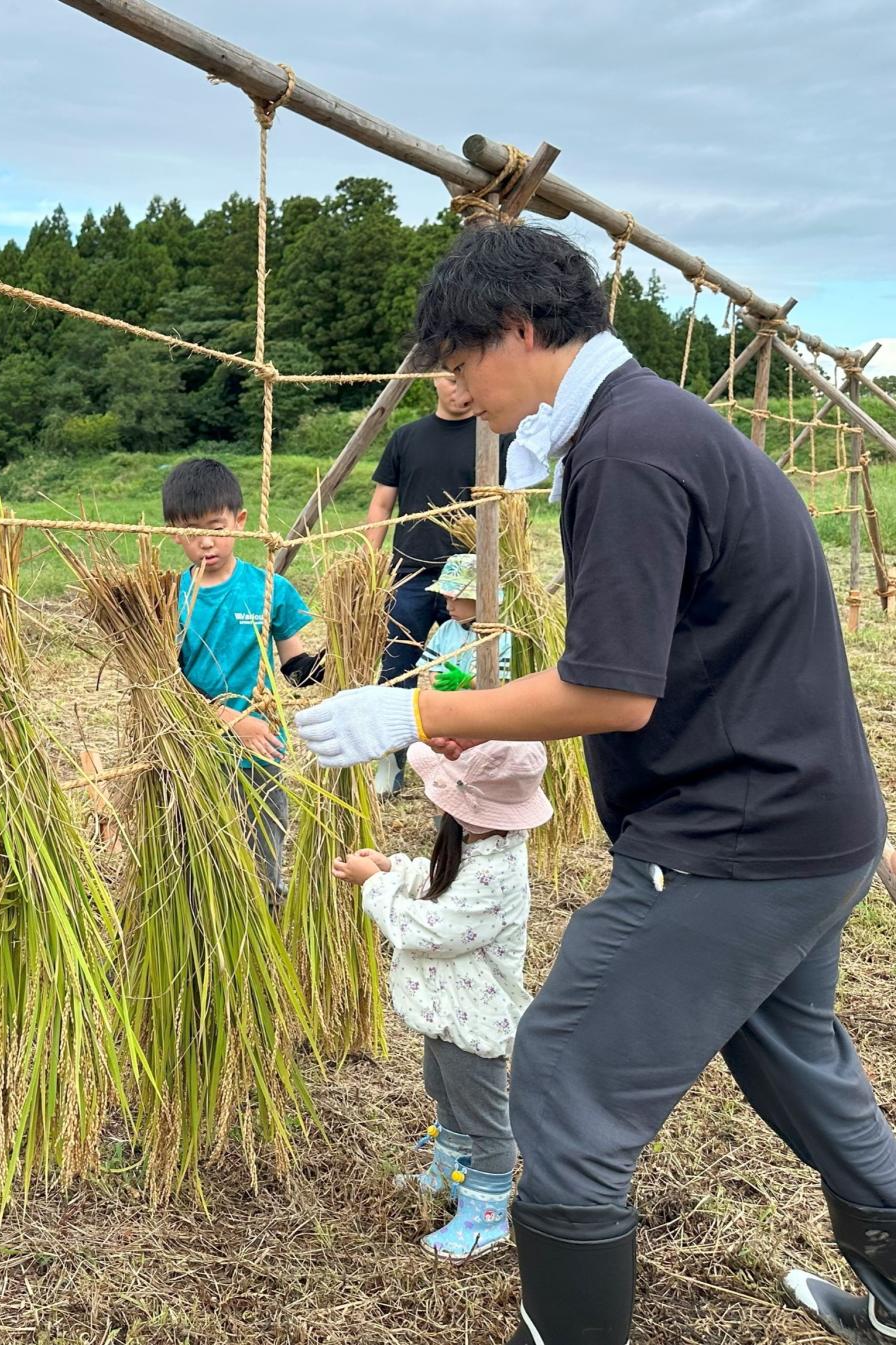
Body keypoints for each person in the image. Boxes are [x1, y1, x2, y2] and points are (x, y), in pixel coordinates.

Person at [295, 222, 891, 1345]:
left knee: (562, 1078)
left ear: (518, 332)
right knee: (797, 1066)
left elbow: (611, 691)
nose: (463, 395)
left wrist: (416, 708)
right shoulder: (656, 423)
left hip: (734, 839)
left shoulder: (627, 448)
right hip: (810, 822)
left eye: (463, 366)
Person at [335, 738, 550, 1261]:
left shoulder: (497, 871)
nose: (435, 801)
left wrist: (375, 890)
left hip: (471, 1016)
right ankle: (450, 1169)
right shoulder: (478, 843)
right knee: (445, 1089)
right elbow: (438, 883)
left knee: (484, 1115)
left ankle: (486, 1212)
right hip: (444, 1008)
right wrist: (391, 870)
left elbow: (432, 928)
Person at [163, 458, 324, 902]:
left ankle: (266, 909)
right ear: (174, 533)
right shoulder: (167, 597)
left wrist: (333, 664)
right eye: (192, 532)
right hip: (195, 746)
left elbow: (295, 668)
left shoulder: (269, 588)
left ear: (240, 520)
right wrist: (231, 719)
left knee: (263, 845)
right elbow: (167, 685)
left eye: (216, 526)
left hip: (261, 748)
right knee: (200, 852)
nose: (206, 542)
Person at [365, 375, 508, 792]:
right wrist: (369, 560)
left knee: (472, 673)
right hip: (408, 573)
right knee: (397, 667)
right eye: (450, 378)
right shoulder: (406, 437)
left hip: (470, 580)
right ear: (431, 377)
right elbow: (381, 502)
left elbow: (511, 503)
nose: (460, 389)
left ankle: (475, 763)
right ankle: (391, 762)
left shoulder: (497, 433)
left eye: (467, 378)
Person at [413, 553, 512, 689]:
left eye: (455, 599)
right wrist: (440, 683)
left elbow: (503, 682)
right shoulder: (447, 629)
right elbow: (434, 667)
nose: (448, 607)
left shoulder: (503, 636)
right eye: (446, 599)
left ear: (479, 599)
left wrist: (466, 681)